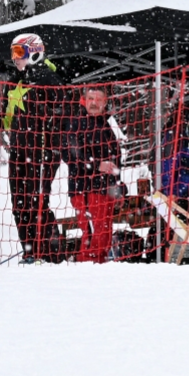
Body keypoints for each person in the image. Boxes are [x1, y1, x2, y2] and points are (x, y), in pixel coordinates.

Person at [0, 33, 73, 263]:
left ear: (34, 53)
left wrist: (51, 127)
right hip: (20, 150)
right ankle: (30, 251)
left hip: (43, 150)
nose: (15, 58)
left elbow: (64, 114)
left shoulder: (49, 80)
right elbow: (8, 122)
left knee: (37, 200)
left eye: (20, 53)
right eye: (13, 53)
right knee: (19, 203)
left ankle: (48, 253)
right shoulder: (14, 83)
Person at [64, 87, 121, 263]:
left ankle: (99, 274)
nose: (94, 103)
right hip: (85, 189)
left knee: (103, 237)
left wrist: (118, 185)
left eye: (98, 99)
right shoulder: (77, 123)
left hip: (106, 190)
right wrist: (97, 166)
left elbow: (115, 159)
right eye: (90, 99)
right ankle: (86, 274)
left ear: (105, 103)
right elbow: (70, 156)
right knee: (92, 238)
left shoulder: (105, 125)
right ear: (85, 100)